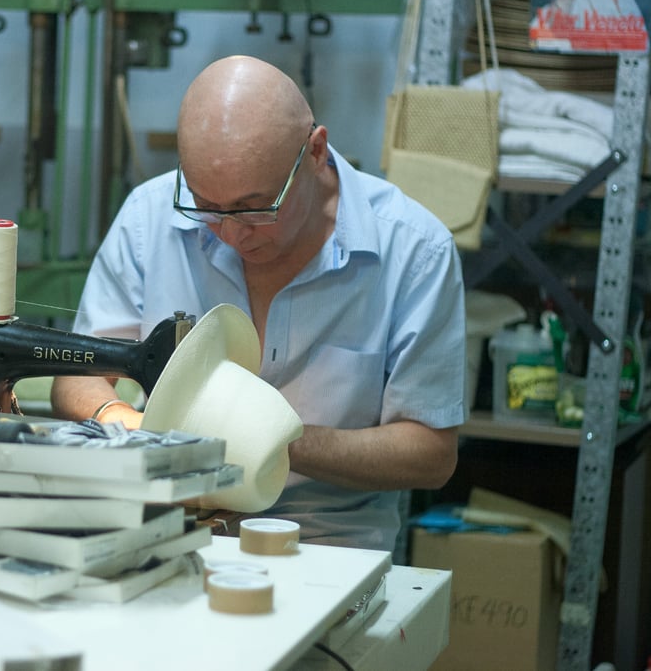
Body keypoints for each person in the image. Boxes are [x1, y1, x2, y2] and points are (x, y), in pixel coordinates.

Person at [50, 55, 466, 552]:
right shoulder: (150, 217)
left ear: (315, 153)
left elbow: (430, 454)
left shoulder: (414, 251)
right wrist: (128, 421)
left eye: (254, 209)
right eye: (205, 206)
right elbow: (80, 372)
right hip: (171, 522)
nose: (229, 234)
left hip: (324, 538)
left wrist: (266, 439)